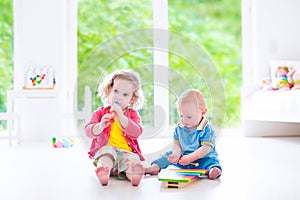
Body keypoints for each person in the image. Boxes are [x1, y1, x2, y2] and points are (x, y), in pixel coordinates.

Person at [85, 69, 145, 186]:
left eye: (125, 95)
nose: (119, 97)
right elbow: (88, 131)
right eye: (116, 91)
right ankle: (104, 171)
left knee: (131, 162)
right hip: (107, 149)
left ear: (132, 98)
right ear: (108, 91)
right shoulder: (100, 112)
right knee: (105, 155)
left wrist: (122, 116)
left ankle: (133, 175)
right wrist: (100, 126)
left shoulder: (132, 114)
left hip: (126, 152)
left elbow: (137, 132)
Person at [145, 89, 222, 180]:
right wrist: (177, 153)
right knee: (168, 156)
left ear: (203, 112)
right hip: (183, 158)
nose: (184, 120)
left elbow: (205, 149)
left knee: (210, 161)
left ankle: (213, 170)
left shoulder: (207, 129)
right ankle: (155, 167)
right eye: (181, 115)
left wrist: (190, 158)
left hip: (201, 158)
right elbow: (176, 143)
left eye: (189, 117)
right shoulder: (180, 127)